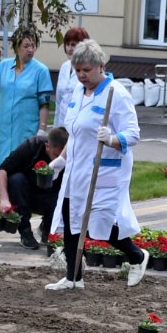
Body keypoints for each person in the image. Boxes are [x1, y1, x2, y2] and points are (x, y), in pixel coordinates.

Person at [47, 39, 149, 291]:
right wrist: (62, 160)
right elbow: (75, 132)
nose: (81, 75)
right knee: (72, 218)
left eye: (86, 70)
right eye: (78, 70)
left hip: (104, 169)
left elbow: (133, 134)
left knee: (99, 222)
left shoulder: (116, 93)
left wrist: (112, 139)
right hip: (77, 168)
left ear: (100, 66)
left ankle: (137, 256)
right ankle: (73, 276)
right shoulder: (78, 93)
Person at [0, 126, 68, 249]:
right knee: (16, 180)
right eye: (55, 155)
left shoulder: (69, 156)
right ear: (47, 146)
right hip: (27, 194)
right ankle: (25, 232)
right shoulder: (31, 146)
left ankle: (47, 228)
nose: (58, 160)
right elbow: (1, 171)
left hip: (52, 196)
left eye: (62, 157)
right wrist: (4, 199)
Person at [0, 29, 54, 164]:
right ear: (17, 47)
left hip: (26, 129)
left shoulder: (40, 70)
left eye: (33, 45)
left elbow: (44, 103)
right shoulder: (4, 66)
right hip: (5, 129)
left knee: (20, 171)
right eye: (26, 46)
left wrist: (42, 129)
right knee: (1, 169)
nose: (30, 50)